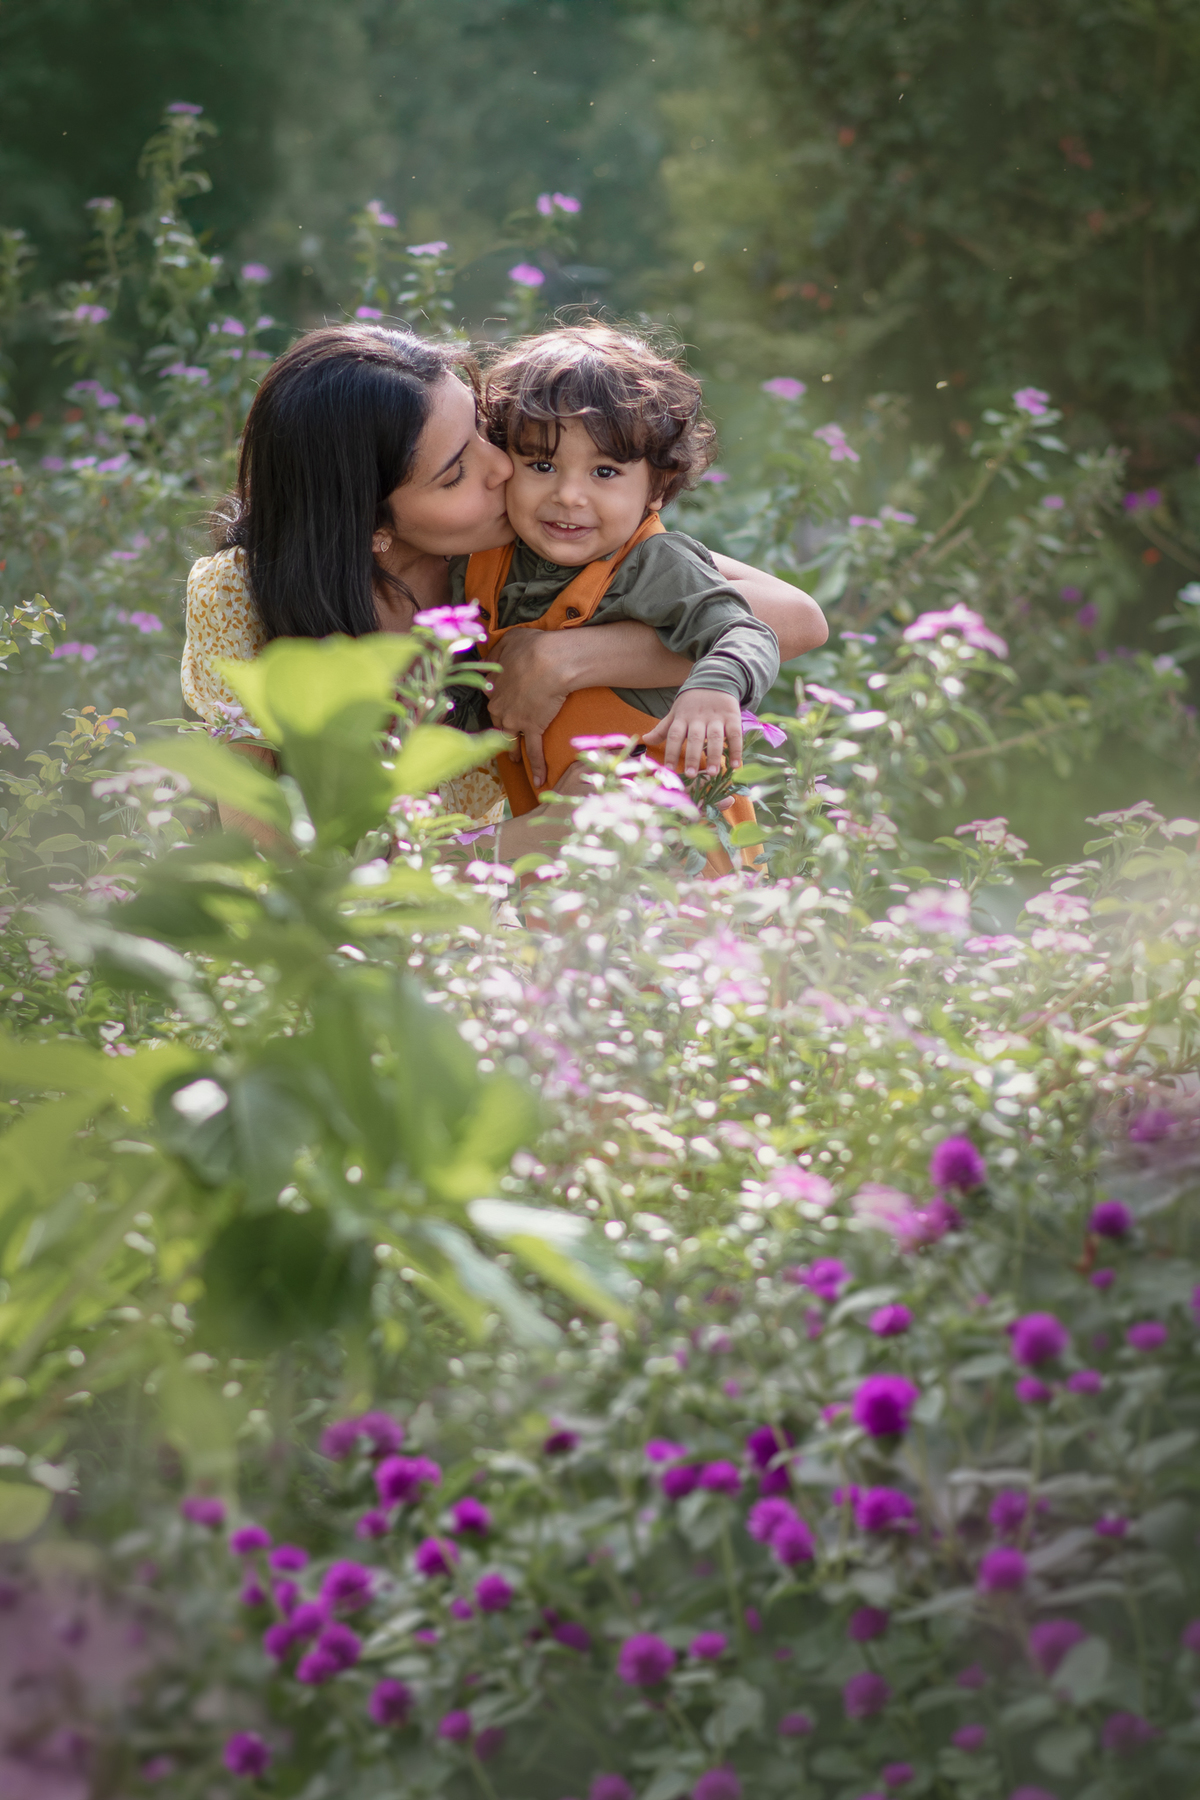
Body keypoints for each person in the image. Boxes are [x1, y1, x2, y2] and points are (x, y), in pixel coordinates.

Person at [181, 323, 827, 848]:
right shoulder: (240, 597)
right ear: (372, 519)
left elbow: (793, 616)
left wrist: (565, 657)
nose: (503, 470)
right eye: (457, 470)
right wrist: (531, 838)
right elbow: (267, 863)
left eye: (484, 435)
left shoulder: (534, 536)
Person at [456, 323, 779, 833]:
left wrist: (714, 689)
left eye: (604, 472)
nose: (569, 495)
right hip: (554, 852)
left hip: (673, 856)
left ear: (659, 486)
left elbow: (745, 630)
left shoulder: (653, 562)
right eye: (541, 464)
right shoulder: (482, 559)